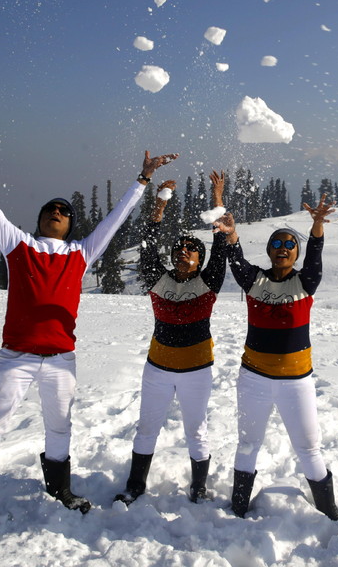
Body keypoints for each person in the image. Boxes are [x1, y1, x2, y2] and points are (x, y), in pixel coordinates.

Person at [0, 120, 176, 542]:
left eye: (64, 212)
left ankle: (60, 489)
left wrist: (143, 178)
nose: (57, 213)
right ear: (39, 220)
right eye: (50, 210)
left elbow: (115, 220)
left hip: (60, 360)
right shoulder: (16, 245)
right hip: (16, 358)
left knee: (60, 429)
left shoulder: (81, 253)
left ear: (70, 225)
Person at [215, 195, 338, 522]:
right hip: (254, 379)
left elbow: (316, 254)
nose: (283, 247)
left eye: (290, 243)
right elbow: (236, 258)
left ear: (296, 253)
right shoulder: (254, 280)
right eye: (277, 242)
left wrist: (317, 224)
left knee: (309, 449)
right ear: (270, 250)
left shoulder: (305, 281)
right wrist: (230, 235)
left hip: (296, 383)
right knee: (247, 445)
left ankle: (329, 513)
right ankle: (238, 508)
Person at [114, 171, 228, 506]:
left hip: (197, 371)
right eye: (179, 248)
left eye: (192, 249)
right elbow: (148, 239)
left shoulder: (209, 283)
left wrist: (217, 199)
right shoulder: (156, 278)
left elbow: (220, 242)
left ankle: (199, 487)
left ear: (200, 260)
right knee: (146, 428)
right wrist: (160, 203)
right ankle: (136, 485)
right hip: (158, 370)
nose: (183, 252)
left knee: (196, 431)